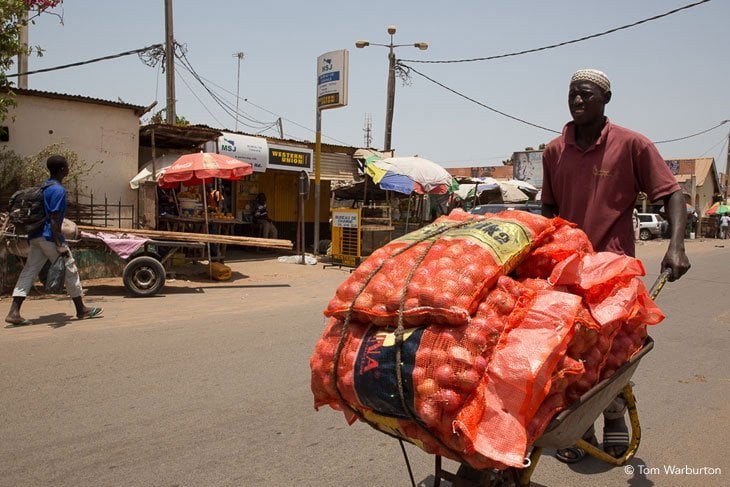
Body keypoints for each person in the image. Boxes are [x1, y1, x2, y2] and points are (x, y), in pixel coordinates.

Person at [541, 68, 690, 463]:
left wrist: (676, 247)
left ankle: (614, 415)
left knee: (617, 352)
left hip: (616, 269)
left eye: (586, 95)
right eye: (572, 94)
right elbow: (548, 209)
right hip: (569, 270)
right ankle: (578, 425)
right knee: (572, 353)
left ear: (606, 99)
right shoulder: (555, 150)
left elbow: (673, 195)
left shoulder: (632, 145)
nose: (577, 101)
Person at [5, 155, 103, 327]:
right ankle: (81, 309)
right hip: (50, 237)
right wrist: (60, 245)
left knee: (29, 271)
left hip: (35, 236)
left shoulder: (43, 187)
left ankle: (14, 312)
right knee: (70, 268)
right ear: (63, 170)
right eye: (67, 166)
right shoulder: (57, 190)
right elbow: (54, 219)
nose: (68, 169)